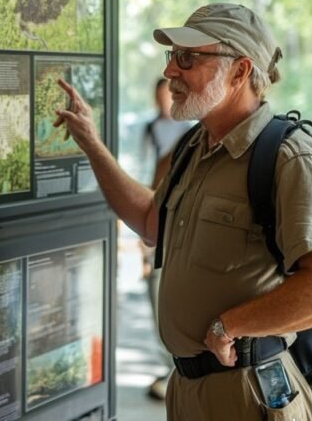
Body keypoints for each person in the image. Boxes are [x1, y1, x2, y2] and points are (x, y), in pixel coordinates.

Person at [54, 2, 312, 420]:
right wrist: (91, 143)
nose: (169, 73)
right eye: (172, 57)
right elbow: (151, 223)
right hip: (190, 390)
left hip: (249, 393)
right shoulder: (194, 147)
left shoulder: (288, 157)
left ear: (239, 71)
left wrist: (230, 325)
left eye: (188, 58)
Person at [139, 77, 193, 400]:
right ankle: (171, 363)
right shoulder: (154, 133)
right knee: (158, 291)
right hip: (161, 222)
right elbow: (150, 175)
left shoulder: (193, 136)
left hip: (175, 226)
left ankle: (175, 364)